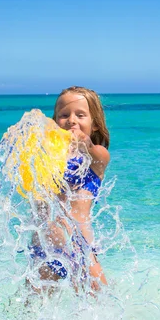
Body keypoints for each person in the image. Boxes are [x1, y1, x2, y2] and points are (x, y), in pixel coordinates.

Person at [29, 86, 110, 291]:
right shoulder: (48, 158)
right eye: (64, 115)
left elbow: (99, 155)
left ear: (95, 125)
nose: (72, 120)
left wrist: (87, 145)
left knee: (99, 300)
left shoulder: (95, 156)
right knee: (32, 306)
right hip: (45, 248)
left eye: (80, 115)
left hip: (79, 247)